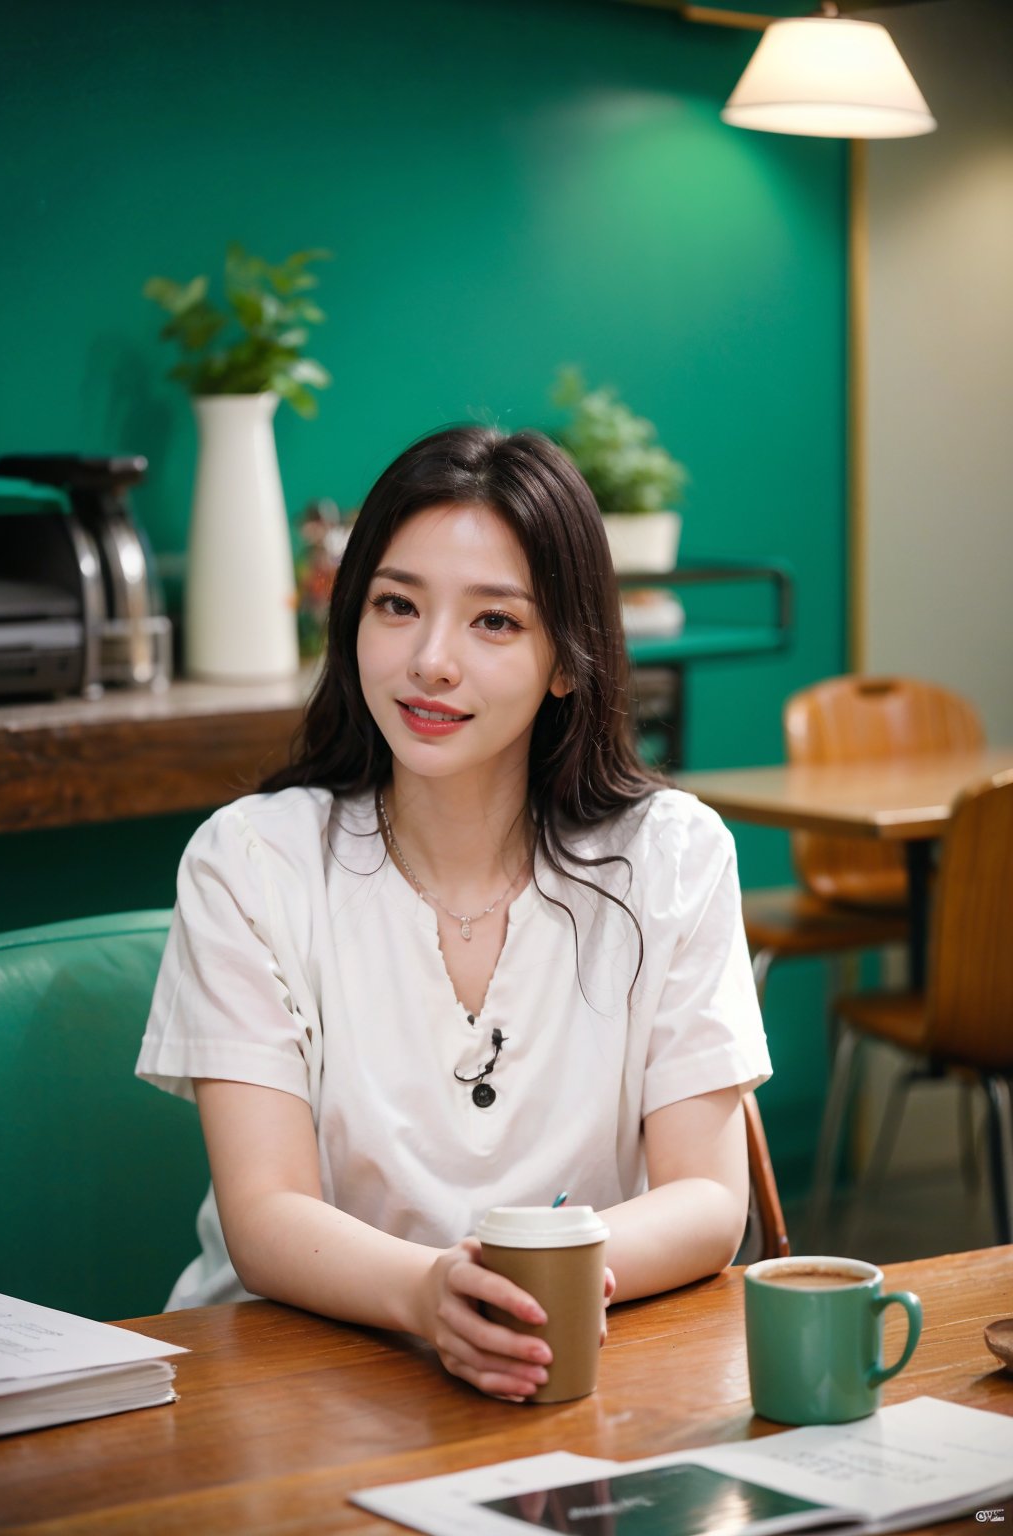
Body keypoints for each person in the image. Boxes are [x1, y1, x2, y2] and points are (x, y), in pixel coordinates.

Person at [136, 425, 770, 1402]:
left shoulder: (671, 857)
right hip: (285, 1383)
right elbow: (264, 1217)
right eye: (397, 605)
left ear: (569, 659)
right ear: (352, 619)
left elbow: (706, 1200)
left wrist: (528, 1289)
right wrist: (432, 1292)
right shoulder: (249, 860)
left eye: (495, 623)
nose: (430, 661)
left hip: (570, 1369)